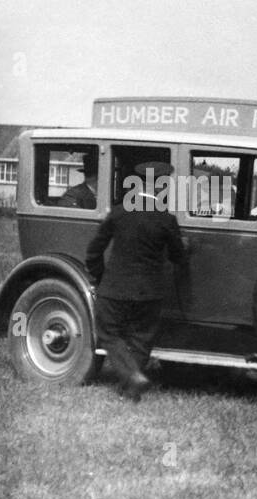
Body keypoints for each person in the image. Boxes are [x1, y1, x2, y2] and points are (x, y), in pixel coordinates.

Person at [84, 161, 186, 401]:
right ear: (162, 187)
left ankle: (131, 378)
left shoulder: (119, 212)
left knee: (108, 333)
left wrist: (101, 277)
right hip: (150, 293)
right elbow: (178, 257)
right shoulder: (166, 220)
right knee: (142, 338)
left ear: (140, 184)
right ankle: (131, 386)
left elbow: (94, 250)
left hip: (115, 289)